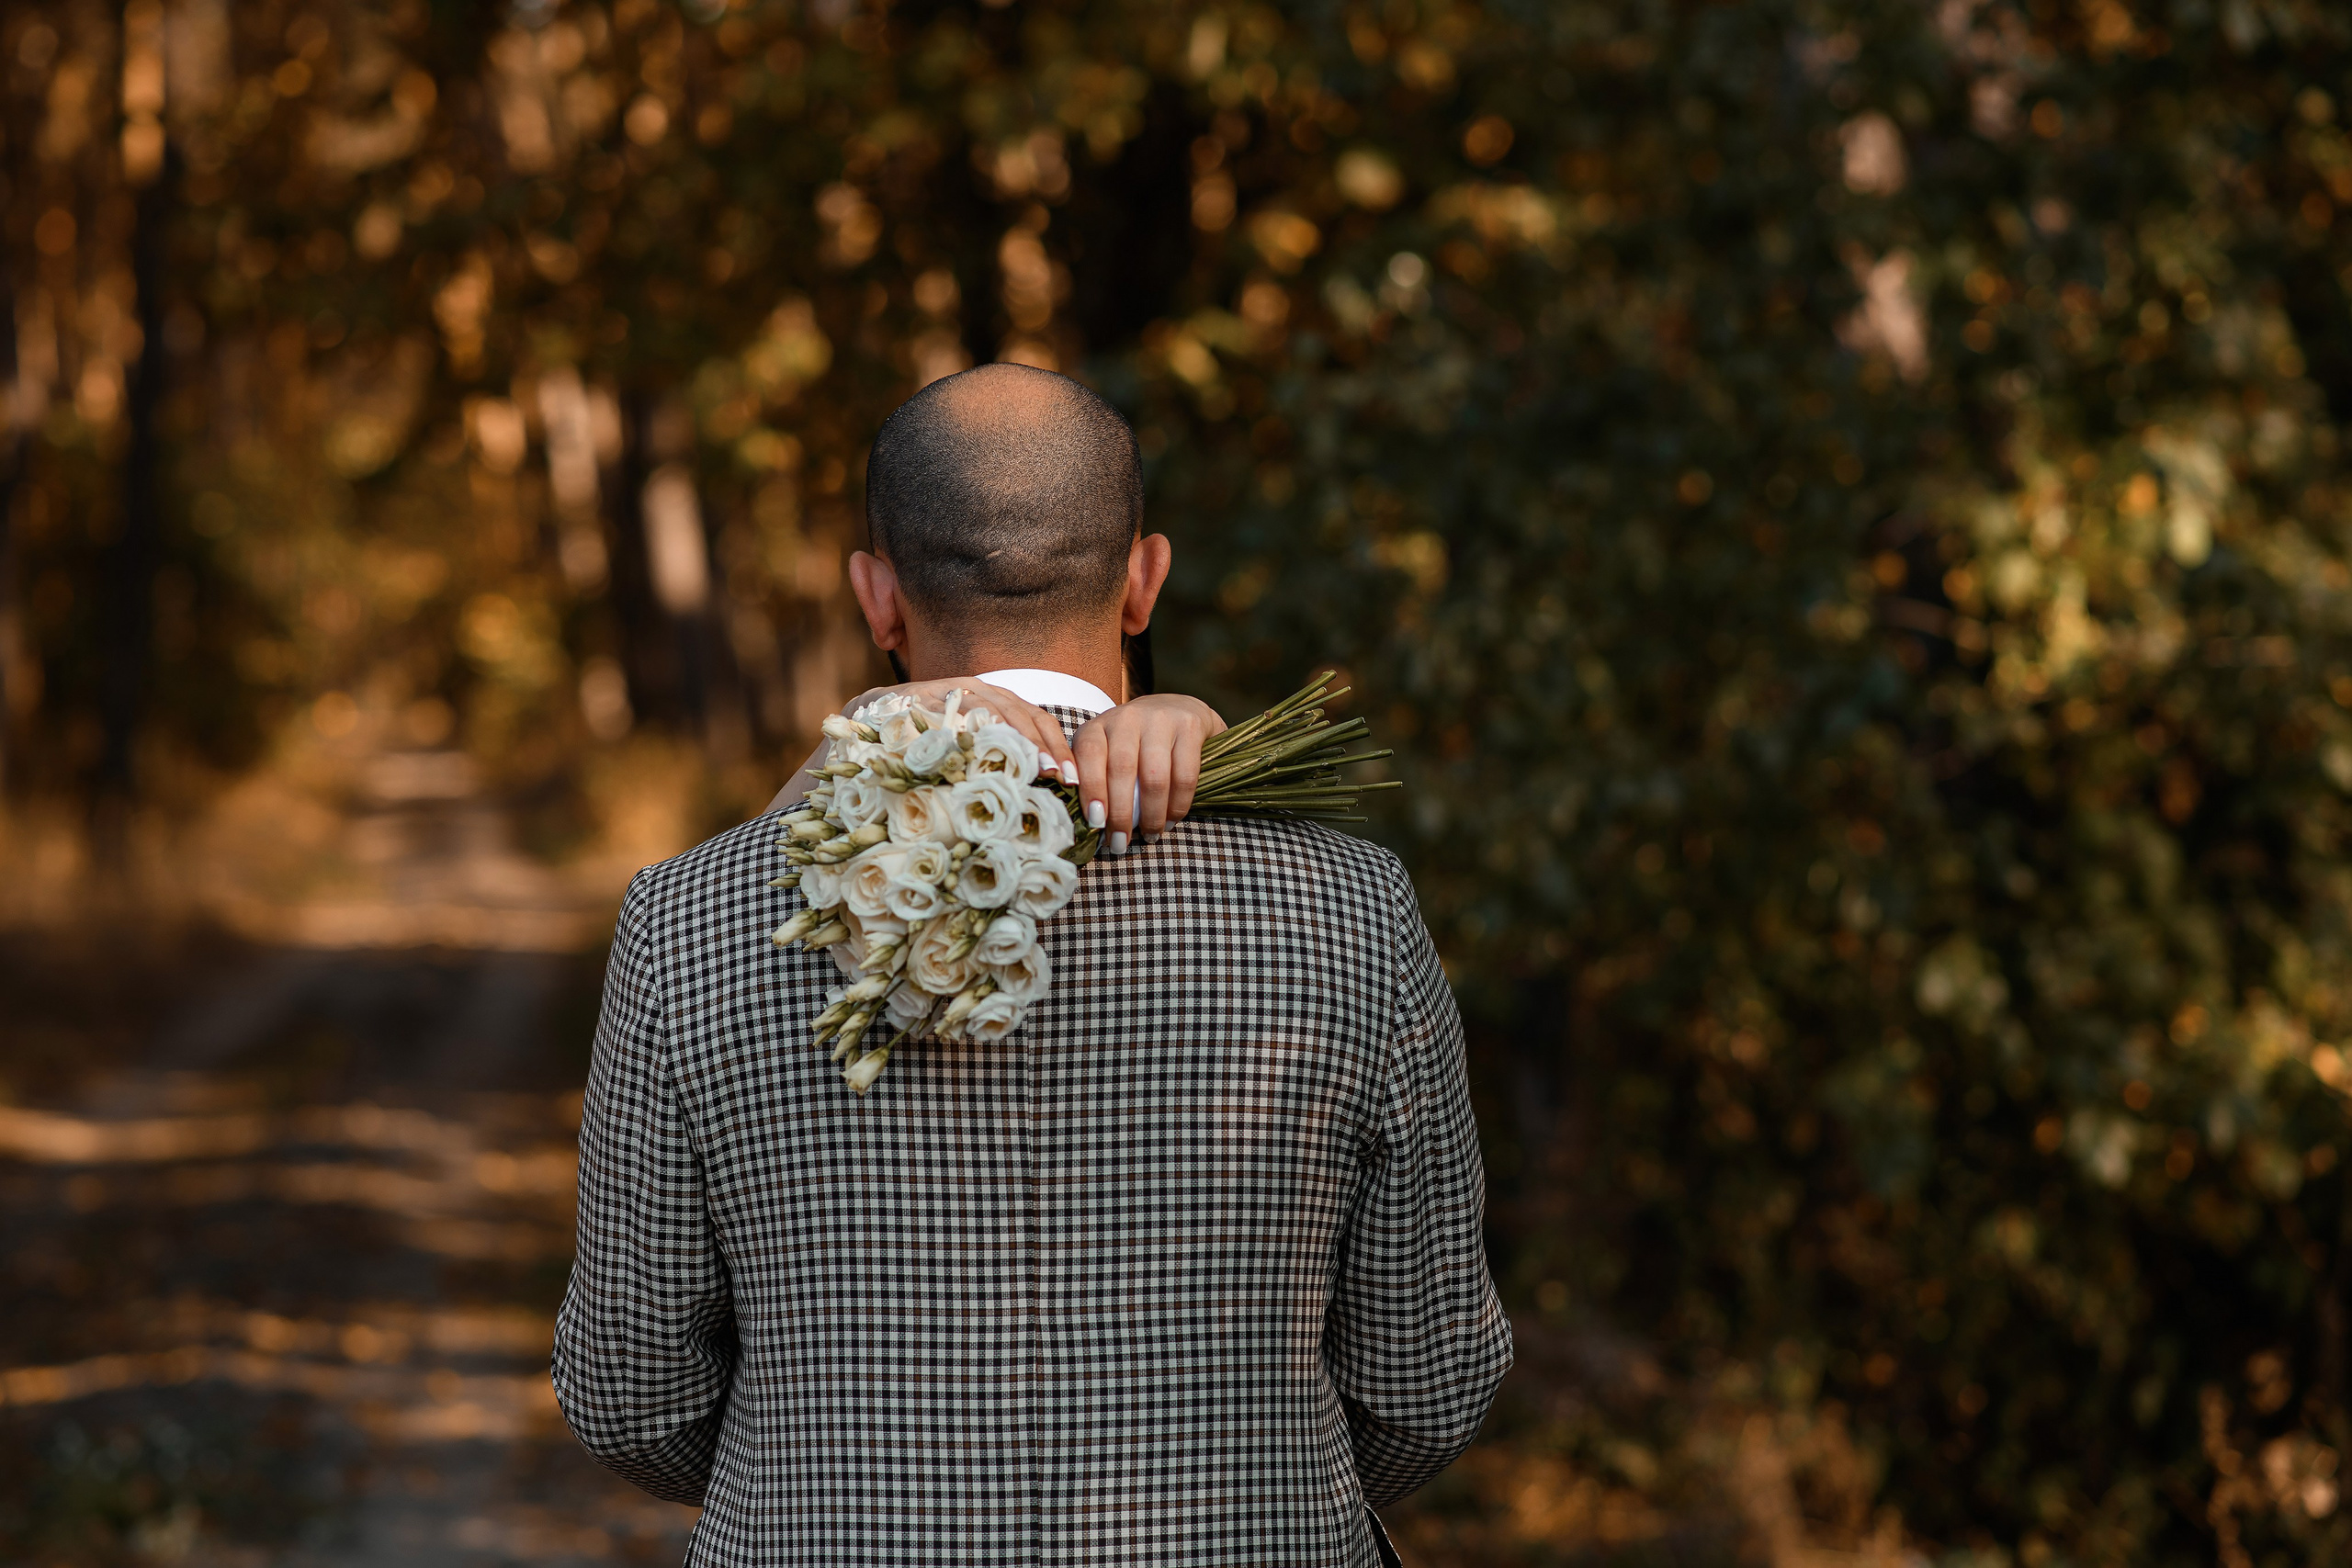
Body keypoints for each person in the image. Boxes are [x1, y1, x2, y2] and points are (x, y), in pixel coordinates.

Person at [553, 363, 1510, 1567]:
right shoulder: (1346, 910)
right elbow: (1428, 1383)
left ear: (877, 597)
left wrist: (822, 1470)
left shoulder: (686, 922)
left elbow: (630, 1396)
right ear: (1144, 580)